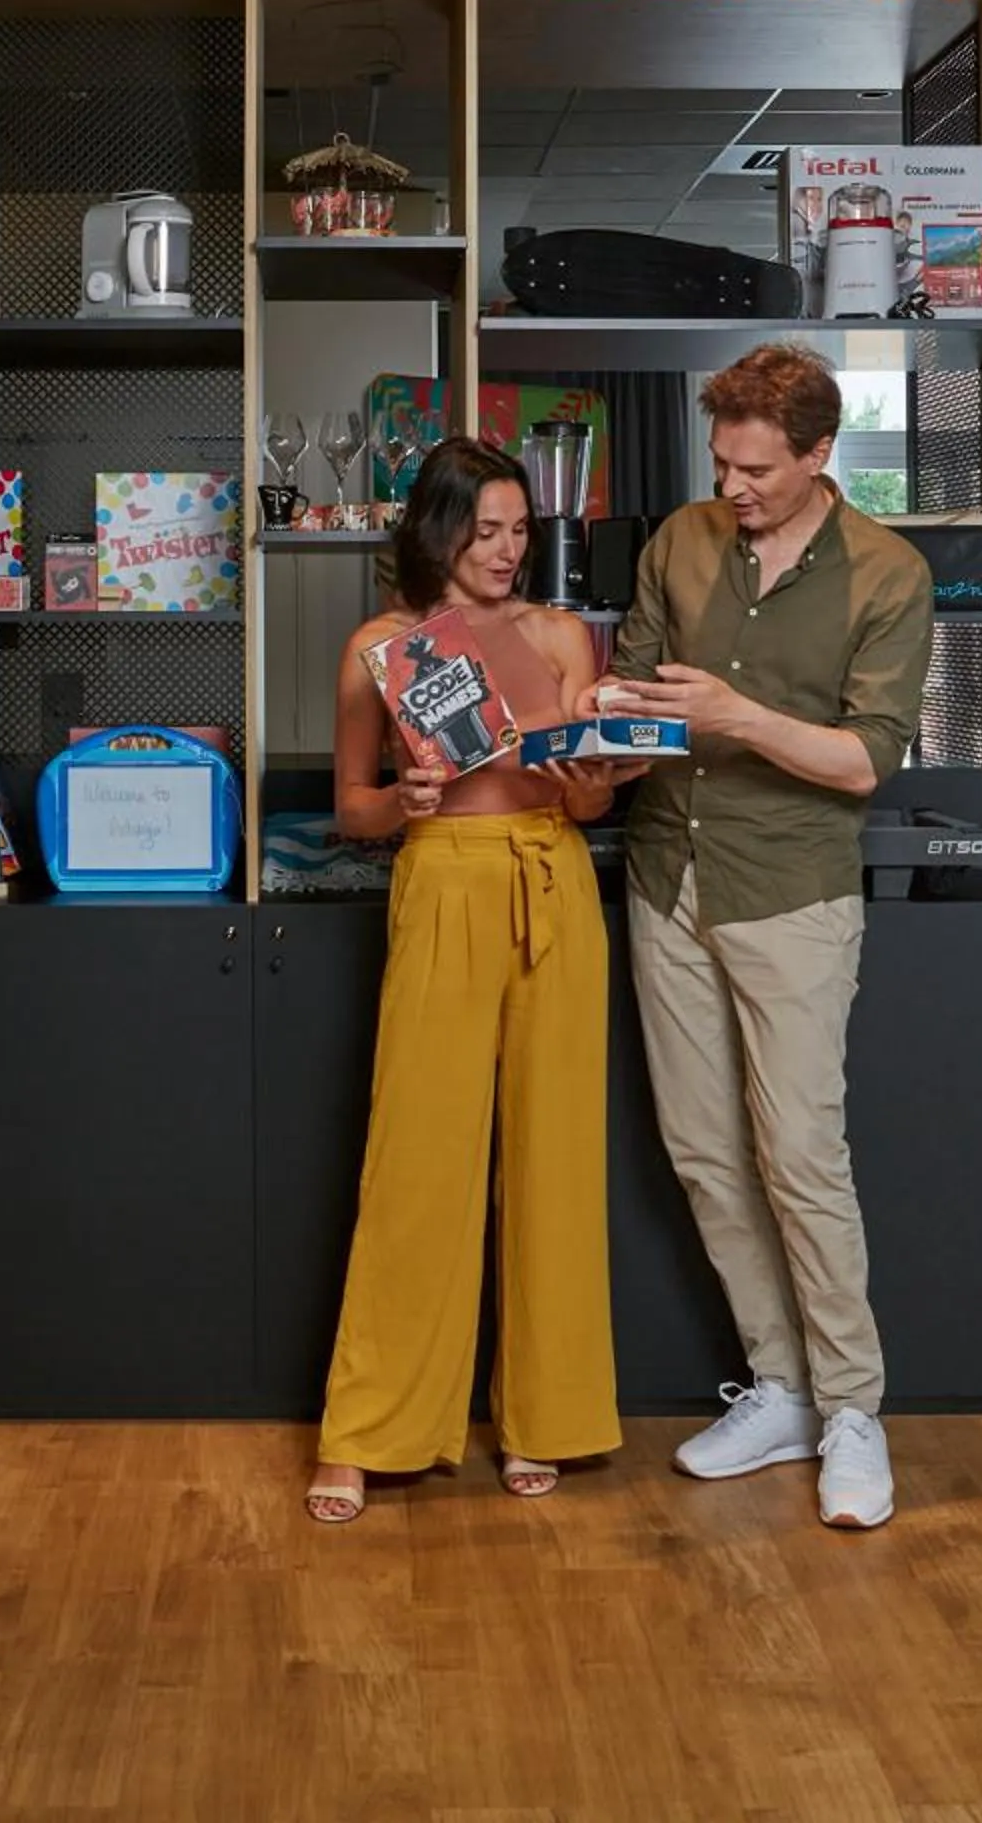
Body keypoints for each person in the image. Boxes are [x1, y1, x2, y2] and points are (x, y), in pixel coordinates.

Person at [590, 342, 931, 1529]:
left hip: (791, 888)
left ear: (820, 454)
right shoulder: (679, 542)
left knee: (800, 1156)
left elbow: (864, 759)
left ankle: (853, 1411)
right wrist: (600, 728)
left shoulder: (888, 573)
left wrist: (733, 713)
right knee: (700, 1148)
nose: (732, 486)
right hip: (668, 873)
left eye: (756, 468)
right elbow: (636, 696)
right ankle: (780, 1385)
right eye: (722, 461)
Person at [304, 435, 636, 1524]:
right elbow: (350, 805)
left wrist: (599, 779)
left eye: (518, 531)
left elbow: (585, 804)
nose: (505, 550)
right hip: (442, 880)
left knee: (554, 1157)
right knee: (418, 1160)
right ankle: (366, 1430)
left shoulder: (560, 633)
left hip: (554, 885)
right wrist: (400, 803)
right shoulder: (381, 647)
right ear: (436, 531)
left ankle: (544, 1417)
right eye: (484, 530)